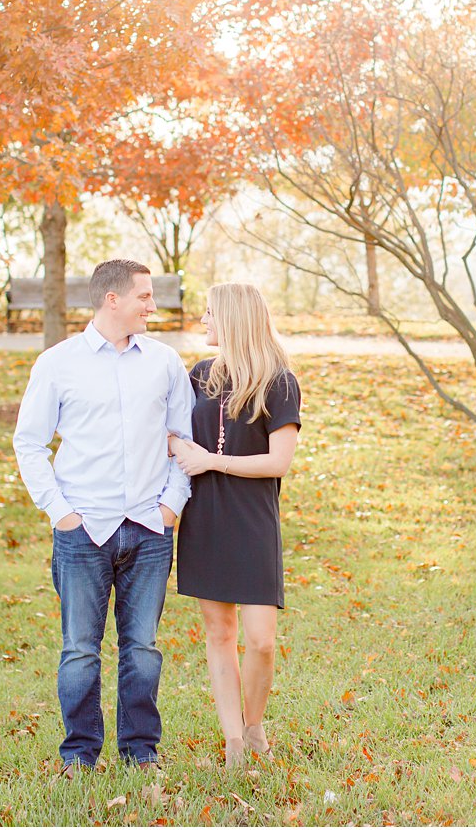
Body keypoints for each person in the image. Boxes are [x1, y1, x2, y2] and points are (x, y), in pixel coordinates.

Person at [13, 258, 193, 772]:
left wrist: (169, 508)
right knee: (79, 651)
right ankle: (79, 754)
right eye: (144, 296)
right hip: (81, 530)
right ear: (112, 299)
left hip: (148, 527)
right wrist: (60, 511)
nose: (152, 305)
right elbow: (29, 443)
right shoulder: (58, 363)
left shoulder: (164, 362)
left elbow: (184, 440)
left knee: (142, 649)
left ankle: (140, 750)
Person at [169, 282, 301, 770]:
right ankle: (234, 745)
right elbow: (168, 432)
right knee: (219, 633)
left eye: (209, 313)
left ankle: (253, 723)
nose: (203, 321)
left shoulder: (279, 382)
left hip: (252, 521)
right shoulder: (199, 375)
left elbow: (278, 462)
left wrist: (212, 461)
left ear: (233, 318)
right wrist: (182, 451)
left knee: (262, 639)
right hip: (205, 518)